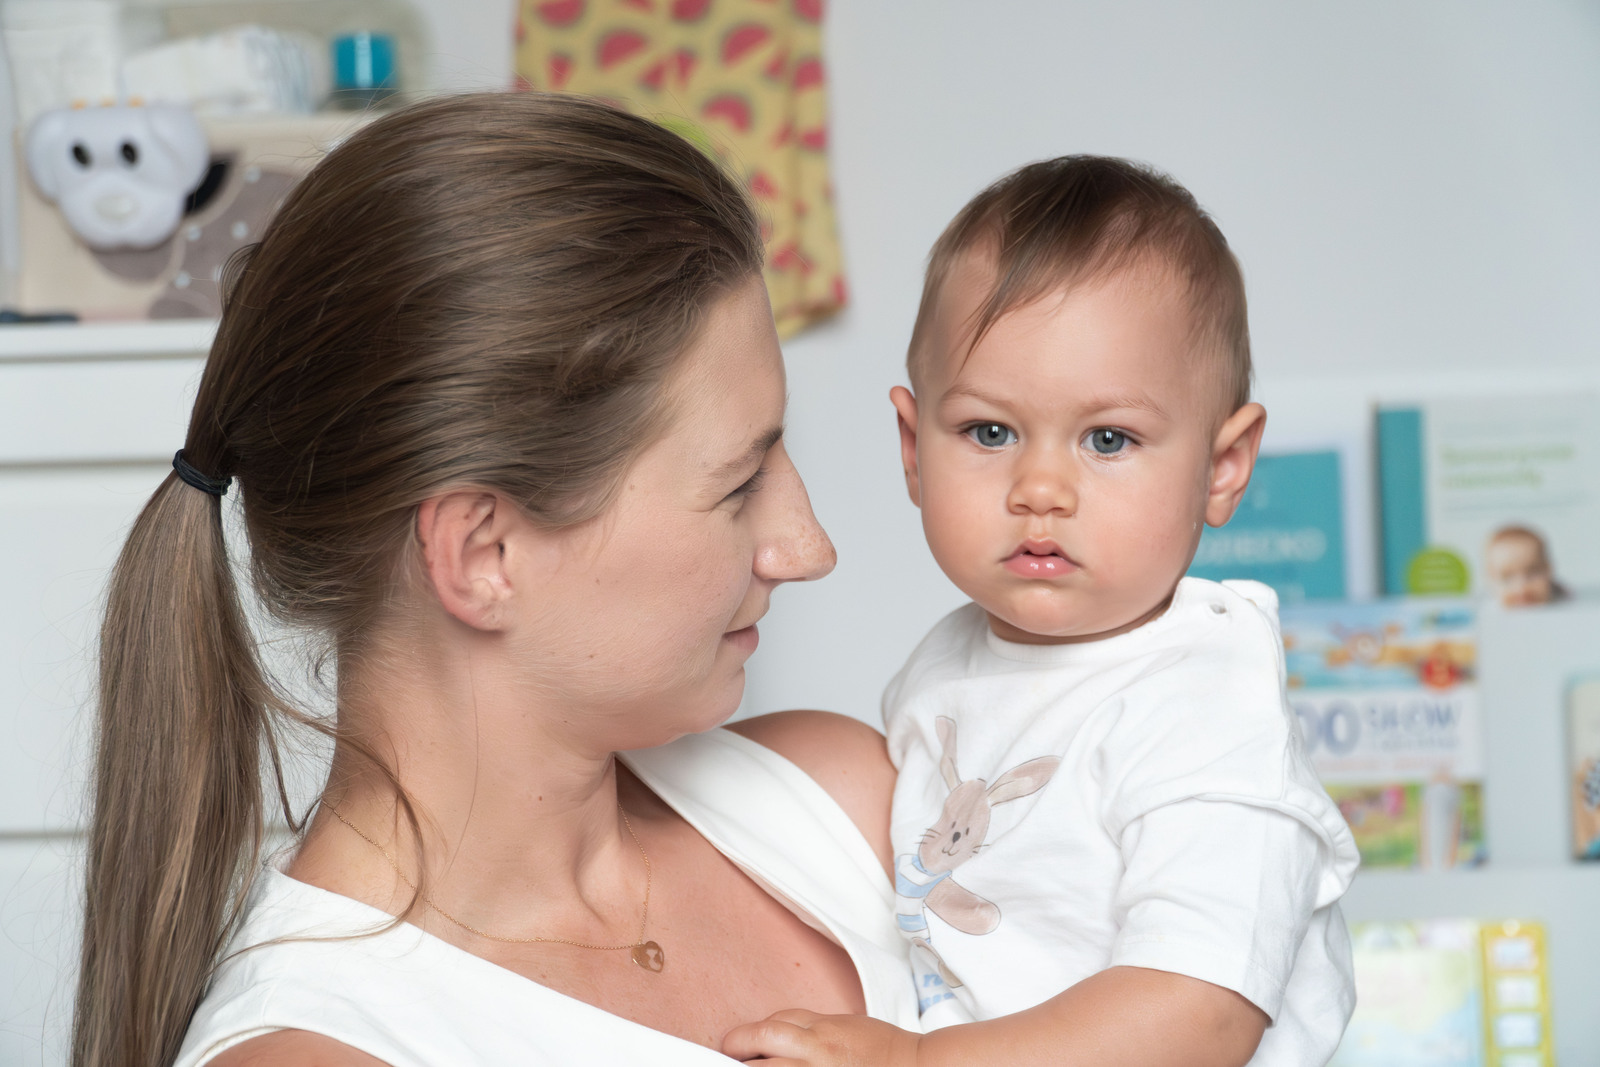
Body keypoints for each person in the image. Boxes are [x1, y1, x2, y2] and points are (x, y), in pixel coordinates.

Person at [71, 91, 918, 1067]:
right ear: (484, 554)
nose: (807, 547)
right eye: (738, 484)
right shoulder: (328, 1045)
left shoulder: (851, 805)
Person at [723, 158, 1360, 1065]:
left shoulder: (1209, 706)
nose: (1041, 488)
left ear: (1223, 467)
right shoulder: (945, 667)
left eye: (1109, 439)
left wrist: (914, 1060)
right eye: (991, 431)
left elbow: (1200, 1013)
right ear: (913, 447)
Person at [1483, 524, 1569, 607]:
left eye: (1532, 573)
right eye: (1507, 578)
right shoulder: (1490, 611)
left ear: (1548, 570)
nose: (1521, 588)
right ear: (1491, 580)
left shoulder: (1566, 606)